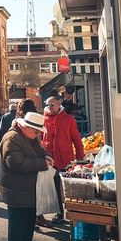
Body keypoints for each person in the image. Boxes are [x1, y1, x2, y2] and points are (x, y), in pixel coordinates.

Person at [0, 111, 51, 241]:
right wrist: (42, 163)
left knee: (28, 223)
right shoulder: (12, 138)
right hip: (16, 189)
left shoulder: (30, 137)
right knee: (17, 225)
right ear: (25, 126)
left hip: (28, 188)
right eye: (36, 131)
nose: (37, 134)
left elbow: (39, 152)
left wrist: (47, 157)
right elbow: (15, 163)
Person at [42, 96, 84, 224]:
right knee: (54, 188)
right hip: (50, 160)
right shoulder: (43, 119)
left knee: (67, 188)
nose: (49, 107)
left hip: (66, 159)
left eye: (52, 104)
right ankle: (59, 214)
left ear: (59, 105)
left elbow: (76, 140)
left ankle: (73, 214)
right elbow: (40, 138)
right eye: (47, 104)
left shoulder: (68, 119)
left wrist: (80, 159)